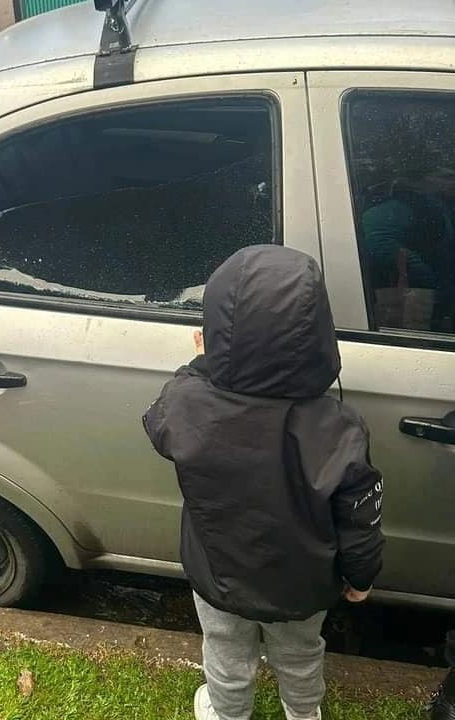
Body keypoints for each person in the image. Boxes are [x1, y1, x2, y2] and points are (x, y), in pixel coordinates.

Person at [142, 245, 385, 720]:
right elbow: (360, 518)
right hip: (304, 583)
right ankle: (303, 714)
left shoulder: (188, 404)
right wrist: (361, 578)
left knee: (227, 654)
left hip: (219, 575)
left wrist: (203, 367)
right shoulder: (338, 426)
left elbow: (159, 423)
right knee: (299, 654)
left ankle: (228, 714)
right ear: (317, 334)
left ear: (213, 333)